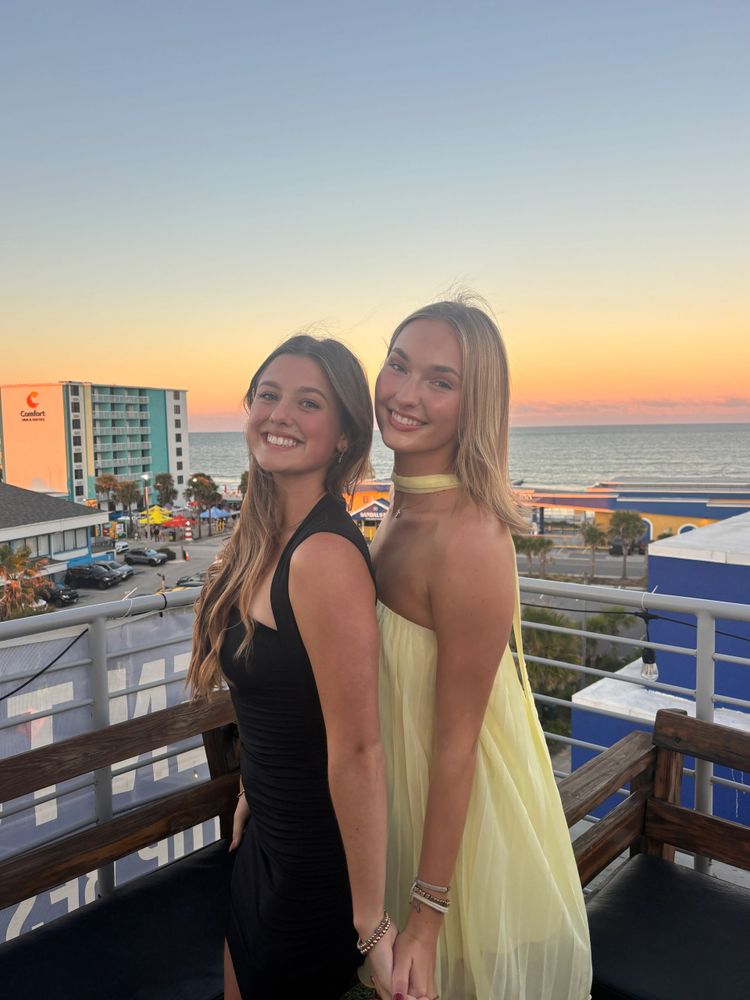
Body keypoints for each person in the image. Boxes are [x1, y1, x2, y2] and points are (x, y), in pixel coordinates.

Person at [370, 298, 592, 1000]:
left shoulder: (466, 537)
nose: (405, 393)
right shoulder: (400, 508)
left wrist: (426, 918)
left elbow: (457, 744)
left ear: (477, 405)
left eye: (440, 381)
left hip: (456, 838)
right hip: (398, 795)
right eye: (398, 365)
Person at [187, 335, 395, 1000]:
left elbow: (359, 748)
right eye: (269, 395)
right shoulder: (261, 539)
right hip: (264, 837)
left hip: (309, 863)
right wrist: (252, 785)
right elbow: (283, 700)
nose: (280, 414)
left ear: (343, 436)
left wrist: (371, 924)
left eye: (308, 403)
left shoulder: (322, 557)